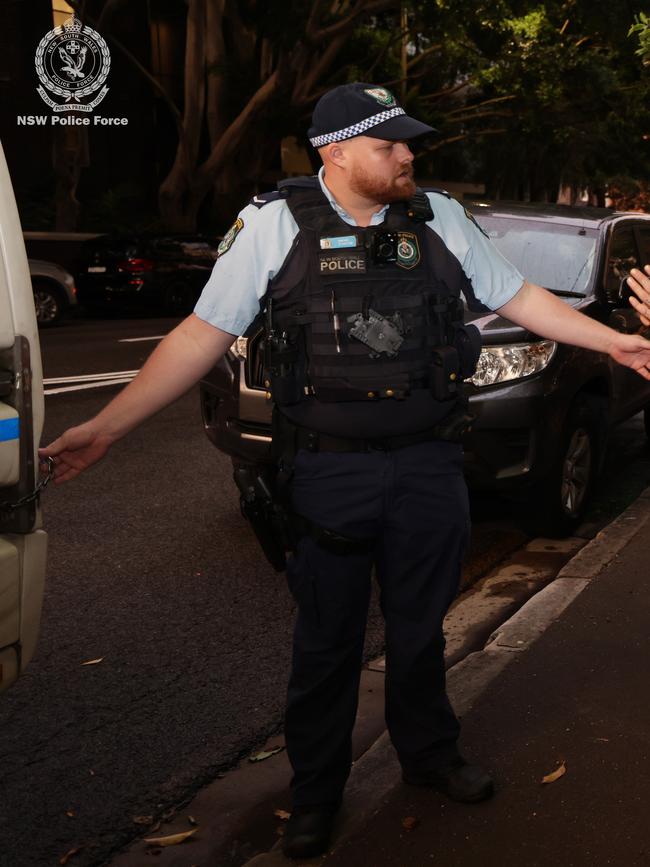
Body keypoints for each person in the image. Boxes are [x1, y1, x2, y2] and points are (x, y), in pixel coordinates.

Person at [40, 83, 650, 860]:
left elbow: (519, 295)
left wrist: (614, 343)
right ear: (336, 152)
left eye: (408, 143)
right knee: (325, 644)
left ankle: (430, 757)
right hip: (328, 475)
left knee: (420, 629)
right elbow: (201, 333)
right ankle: (316, 796)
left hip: (430, 463)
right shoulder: (272, 224)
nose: (409, 155)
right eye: (390, 144)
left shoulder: (439, 217)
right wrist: (106, 428)